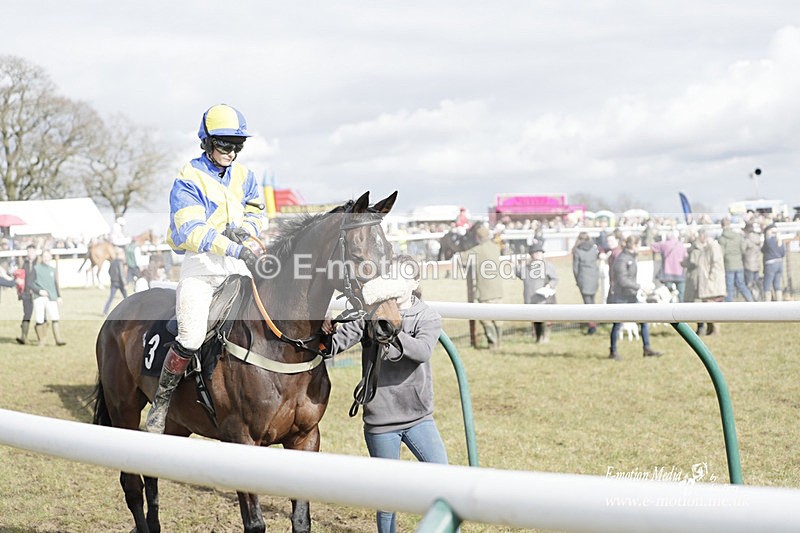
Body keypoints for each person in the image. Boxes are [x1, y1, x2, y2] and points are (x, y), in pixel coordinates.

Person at [145, 103, 265, 434]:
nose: (231, 151)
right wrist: (233, 245)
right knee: (192, 335)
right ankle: (162, 402)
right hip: (202, 269)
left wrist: (248, 230)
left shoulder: (246, 176)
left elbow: (257, 211)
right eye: (225, 144)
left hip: (237, 270)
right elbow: (189, 230)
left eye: (237, 145)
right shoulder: (189, 176)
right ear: (207, 141)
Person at [323, 256, 449, 533]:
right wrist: (324, 332)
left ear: (415, 283)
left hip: (419, 418)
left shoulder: (428, 316)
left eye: (403, 275)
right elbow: (333, 346)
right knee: (388, 496)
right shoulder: (370, 313)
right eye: (391, 273)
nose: (394, 279)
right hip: (380, 421)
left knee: (444, 481)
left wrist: (392, 328)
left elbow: (421, 351)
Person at [607, 235, 662, 360]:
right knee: (617, 324)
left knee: (643, 320)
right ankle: (613, 351)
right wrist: (640, 287)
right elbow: (622, 280)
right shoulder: (622, 259)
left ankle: (647, 348)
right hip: (621, 296)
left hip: (630, 295)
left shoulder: (630, 258)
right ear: (633, 245)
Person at [458, 223, 504, 349]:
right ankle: (499, 342)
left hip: (485, 292)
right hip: (498, 290)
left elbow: (461, 258)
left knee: (485, 317)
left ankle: (493, 343)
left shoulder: (478, 250)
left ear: (477, 238)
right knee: (498, 318)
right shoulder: (495, 247)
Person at [517, 243, 558, 343]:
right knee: (535, 319)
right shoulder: (526, 267)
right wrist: (518, 265)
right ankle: (538, 337)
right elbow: (518, 274)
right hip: (531, 297)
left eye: (540, 252)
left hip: (544, 298)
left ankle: (546, 336)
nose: (538, 254)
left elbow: (555, 279)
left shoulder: (548, 266)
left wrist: (549, 285)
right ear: (531, 254)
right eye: (536, 252)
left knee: (546, 318)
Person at [695, 228, 726, 335]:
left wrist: (711, 278)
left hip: (713, 284)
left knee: (713, 307)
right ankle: (710, 329)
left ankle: (716, 330)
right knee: (707, 306)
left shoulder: (714, 247)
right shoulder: (706, 247)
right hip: (708, 283)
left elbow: (716, 263)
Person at [32, 250, 66, 346]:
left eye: (48, 256)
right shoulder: (36, 269)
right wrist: (39, 291)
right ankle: (41, 340)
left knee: (55, 317)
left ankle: (58, 339)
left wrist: (59, 296)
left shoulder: (53, 270)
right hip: (39, 297)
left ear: (51, 257)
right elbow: (31, 283)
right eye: (44, 256)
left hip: (51, 297)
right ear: (41, 257)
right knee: (40, 318)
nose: (46, 258)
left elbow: (56, 284)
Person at [717, 218, 754, 302]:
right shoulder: (737, 236)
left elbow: (721, 253)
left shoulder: (722, 239)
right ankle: (750, 300)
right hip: (739, 263)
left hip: (729, 264)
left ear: (722, 226)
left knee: (729, 287)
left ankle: (730, 305)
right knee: (741, 284)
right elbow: (742, 249)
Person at [649, 228, 687, 302]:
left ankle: (670, 308)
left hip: (667, 272)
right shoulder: (681, 245)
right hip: (679, 272)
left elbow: (652, 246)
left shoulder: (664, 244)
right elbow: (685, 256)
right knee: (681, 294)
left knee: (669, 294)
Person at [572, 231, 600, 334]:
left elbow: (575, 268)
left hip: (583, 278)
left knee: (588, 303)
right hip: (594, 276)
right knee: (592, 301)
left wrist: (577, 280)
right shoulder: (593, 248)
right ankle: (594, 321)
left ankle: (592, 326)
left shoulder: (577, 251)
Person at [15, 244, 39, 345]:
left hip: (37, 292)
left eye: (32, 251)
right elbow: (19, 276)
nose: (30, 253)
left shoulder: (39, 263)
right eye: (28, 251)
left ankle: (41, 338)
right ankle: (23, 336)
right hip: (26, 292)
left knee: (41, 315)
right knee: (27, 314)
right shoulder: (23, 264)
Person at [761, 223, 786, 302]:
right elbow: (783, 253)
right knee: (777, 285)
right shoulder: (779, 241)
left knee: (767, 286)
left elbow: (763, 250)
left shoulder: (768, 241)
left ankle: (767, 303)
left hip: (770, 264)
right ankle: (779, 302)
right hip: (779, 263)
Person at [102, 248, 128, 315]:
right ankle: (130, 310)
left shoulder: (113, 261)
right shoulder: (120, 262)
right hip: (120, 283)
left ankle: (105, 311)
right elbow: (121, 274)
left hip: (113, 282)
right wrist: (124, 283)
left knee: (110, 298)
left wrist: (112, 278)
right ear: (121, 254)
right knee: (126, 298)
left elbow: (109, 271)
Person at [742, 223, 763, 301]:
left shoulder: (747, 240)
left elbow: (742, 250)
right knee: (756, 283)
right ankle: (758, 297)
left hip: (748, 264)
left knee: (749, 284)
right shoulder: (757, 238)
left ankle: (751, 299)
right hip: (757, 264)